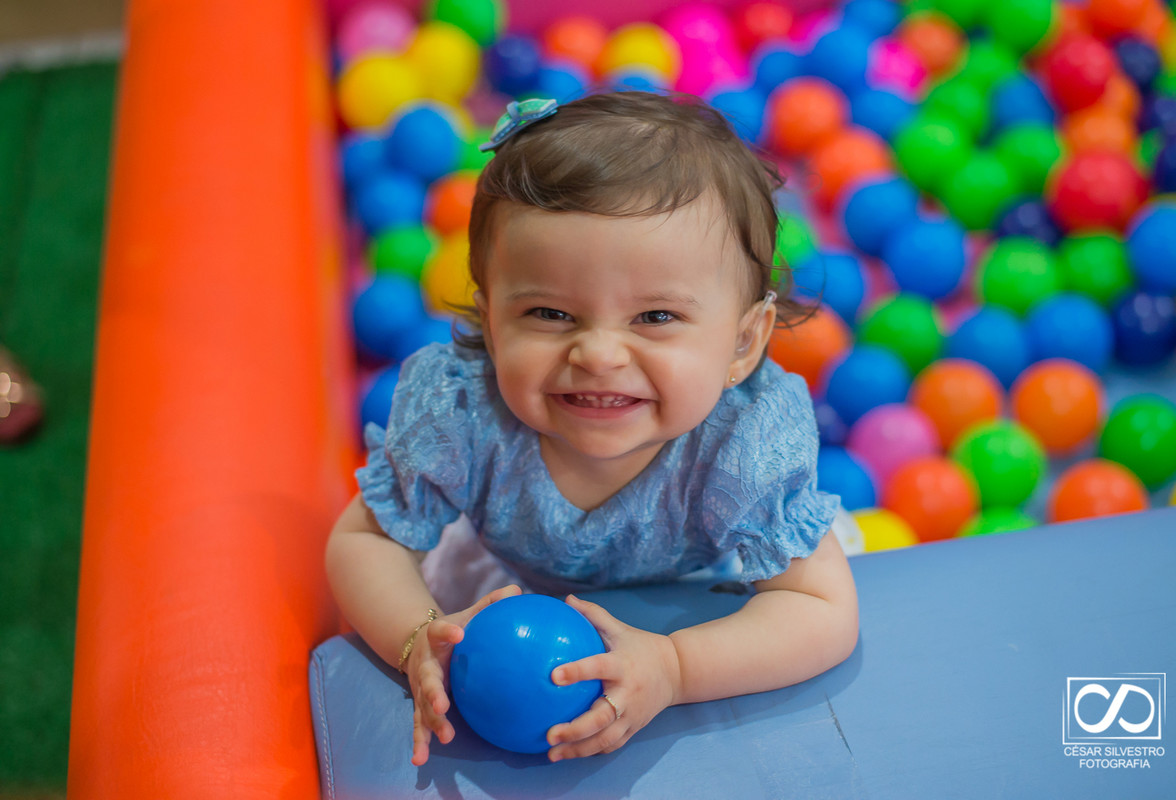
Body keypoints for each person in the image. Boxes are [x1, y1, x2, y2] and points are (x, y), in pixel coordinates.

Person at [325, 91, 859, 768]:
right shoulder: (463, 415)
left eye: (656, 317)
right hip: (512, 589)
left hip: (714, 585)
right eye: (549, 313)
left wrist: (675, 666)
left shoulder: (742, 446)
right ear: (490, 322)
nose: (599, 355)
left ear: (743, 345)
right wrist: (415, 635)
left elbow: (819, 607)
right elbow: (364, 539)